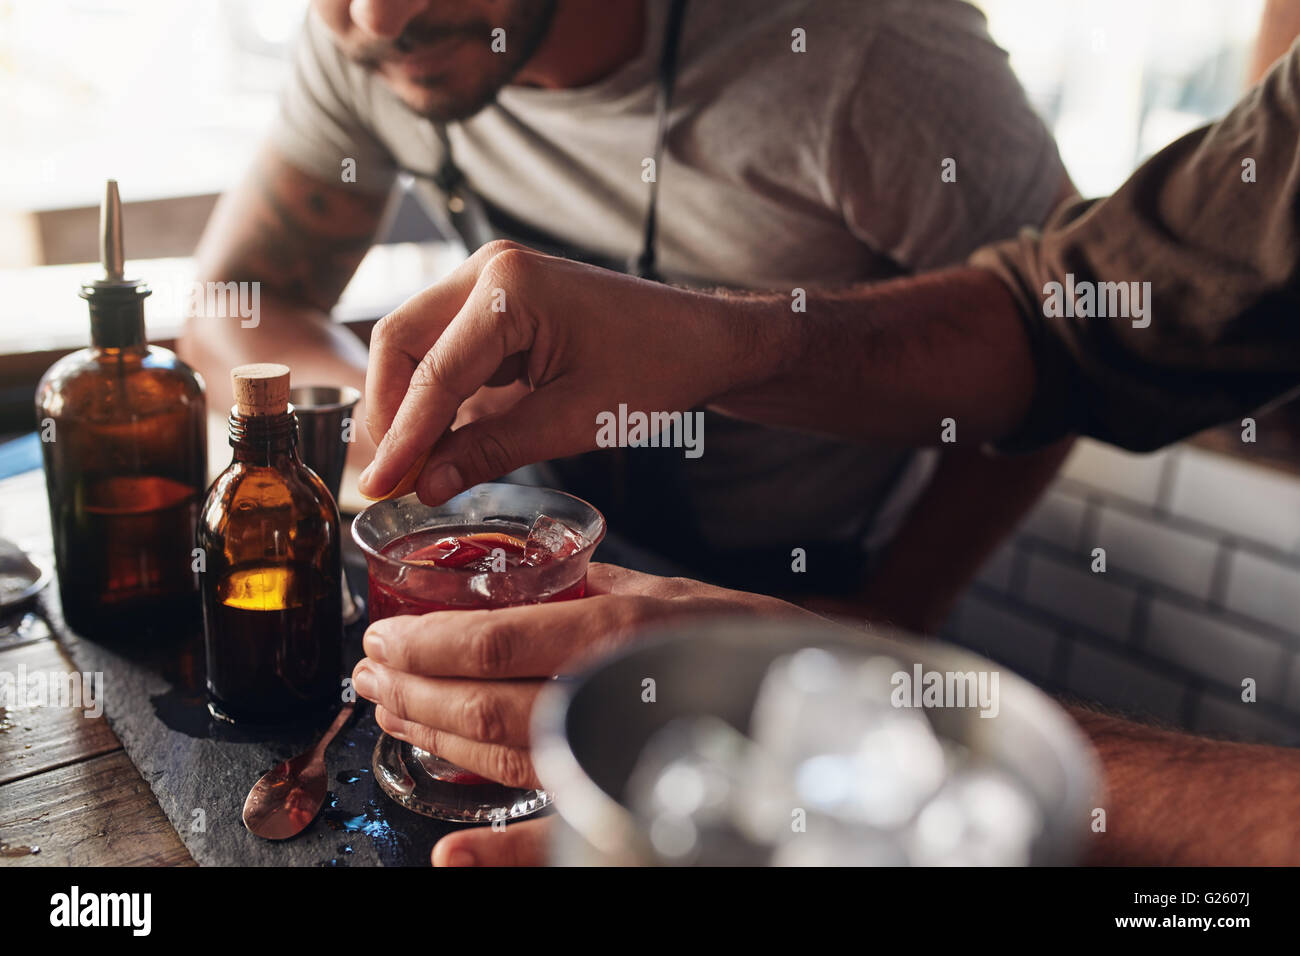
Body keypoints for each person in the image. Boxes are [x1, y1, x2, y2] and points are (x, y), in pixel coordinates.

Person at [352, 36, 1300, 865]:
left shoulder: (881, 55)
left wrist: (881, 741)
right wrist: (720, 341)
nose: (377, 20)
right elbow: (1060, 320)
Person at [179, 0, 1078, 633]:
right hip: (533, 564)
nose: (374, 19)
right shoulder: (377, 38)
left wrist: (895, 613)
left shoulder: (878, 50)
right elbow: (234, 308)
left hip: (801, 591)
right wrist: (396, 423)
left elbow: (1069, 341)